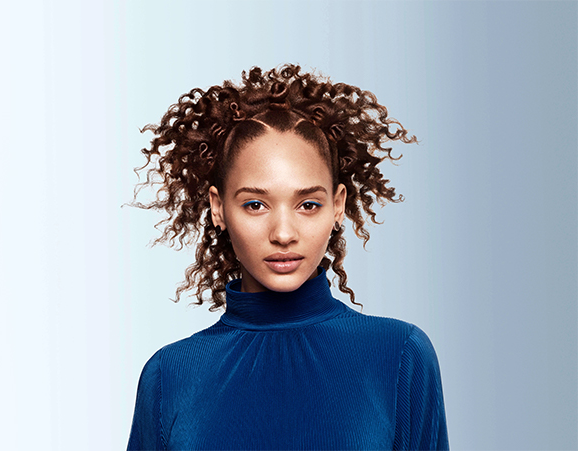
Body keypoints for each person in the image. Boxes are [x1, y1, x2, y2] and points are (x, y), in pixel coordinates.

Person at [127, 64, 449, 450]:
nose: (283, 233)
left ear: (338, 206)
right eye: (256, 204)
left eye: (308, 204)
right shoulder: (170, 376)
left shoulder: (399, 356)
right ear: (218, 208)